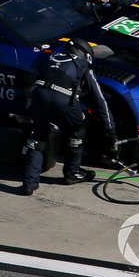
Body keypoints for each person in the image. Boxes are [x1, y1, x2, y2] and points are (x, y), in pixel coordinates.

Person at [21, 37, 117, 196]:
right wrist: (110, 130)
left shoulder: (48, 56)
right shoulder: (83, 65)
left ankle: (29, 184)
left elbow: (30, 77)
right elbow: (99, 99)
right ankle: (71, 173)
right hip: (63, 101)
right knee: (79, 125)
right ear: (84, 54)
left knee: (37, 139)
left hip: (37, 98)